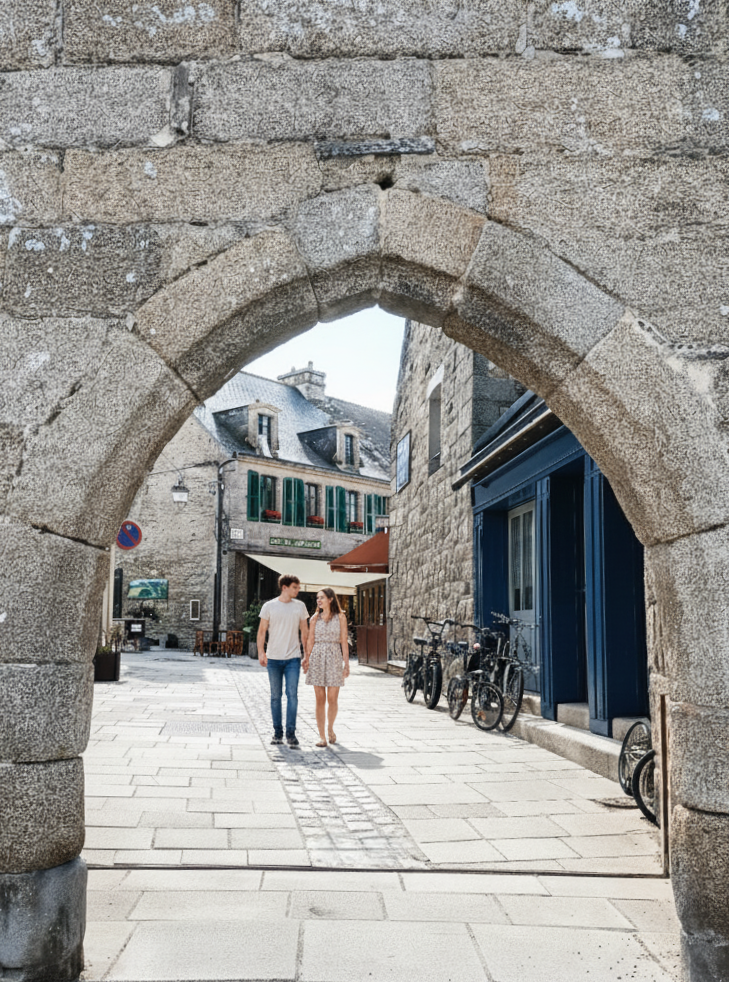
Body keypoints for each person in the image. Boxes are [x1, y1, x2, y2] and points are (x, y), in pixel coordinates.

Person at [257, 574, 309, 747]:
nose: (298, 590)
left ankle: (291, 734)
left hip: (293, 659)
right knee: (275, 696)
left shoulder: (300, 607)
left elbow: (305, 632)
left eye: (298, 587)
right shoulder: (269, 606)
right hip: (273, 658)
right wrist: (261, 652)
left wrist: (306, 655)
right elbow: (262, 631)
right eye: (295, 587)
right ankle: (277, 733)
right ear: (285, 587)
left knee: (292, 696)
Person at [302, 588, 350, 747]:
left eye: (322, 597)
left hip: (335, 657)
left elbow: (344, 641)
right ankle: (322, 736)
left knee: (332, 699)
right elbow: (310, 640)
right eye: (317, 598)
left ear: (330, 599)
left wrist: (346, 664)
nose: (318, 600)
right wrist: (306, 658)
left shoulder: (341, 617)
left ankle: (330, 728)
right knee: (320, 699)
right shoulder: (314, 618)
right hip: (317, 657)